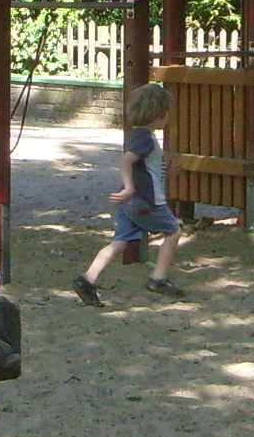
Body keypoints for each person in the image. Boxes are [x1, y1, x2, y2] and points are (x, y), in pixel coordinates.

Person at [75, 81, 186, 305]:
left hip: (129, 203)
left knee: (120, 242)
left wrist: (167, 171)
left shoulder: (139, 136)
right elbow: (127, 161)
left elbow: (145, 168)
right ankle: (158, 278)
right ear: (159, 114)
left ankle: (88, 279)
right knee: (173, 231)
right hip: (145, 200)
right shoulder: (145, 138)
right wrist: (129, 187)